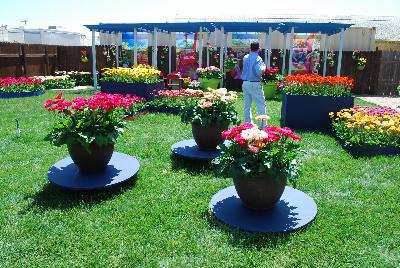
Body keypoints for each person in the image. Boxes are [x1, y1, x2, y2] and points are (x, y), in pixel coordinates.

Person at [241, 42, 266, 125]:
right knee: (261, 104)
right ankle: (262, 125)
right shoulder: (258, 58)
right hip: (255, 83)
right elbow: (259, 72)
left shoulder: (245, 57)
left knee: (247, 105)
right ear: (258, 49)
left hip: (245, 83)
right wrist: (264, 67)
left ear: (250, 48)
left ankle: (247, 124)